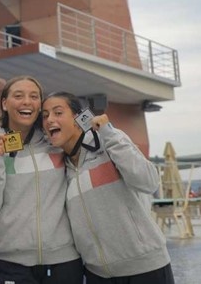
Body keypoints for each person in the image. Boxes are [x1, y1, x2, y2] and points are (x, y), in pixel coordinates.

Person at [42, 92, 174, 284]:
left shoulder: (108, 142)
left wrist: (109, 133)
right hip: (98, 275)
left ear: (78, 118)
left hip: (145, 268)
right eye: (45, 116)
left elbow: (149, 181)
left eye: (58, 112)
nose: (50, 120)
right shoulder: (64, 169)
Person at [0, 76, 83, 284]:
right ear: (4, 103)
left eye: (34, 96)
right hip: (13, 261)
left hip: (64, 259)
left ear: (40, 105)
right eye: (18, 96)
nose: (27, 101)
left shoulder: (55, 140)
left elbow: (85, 136)